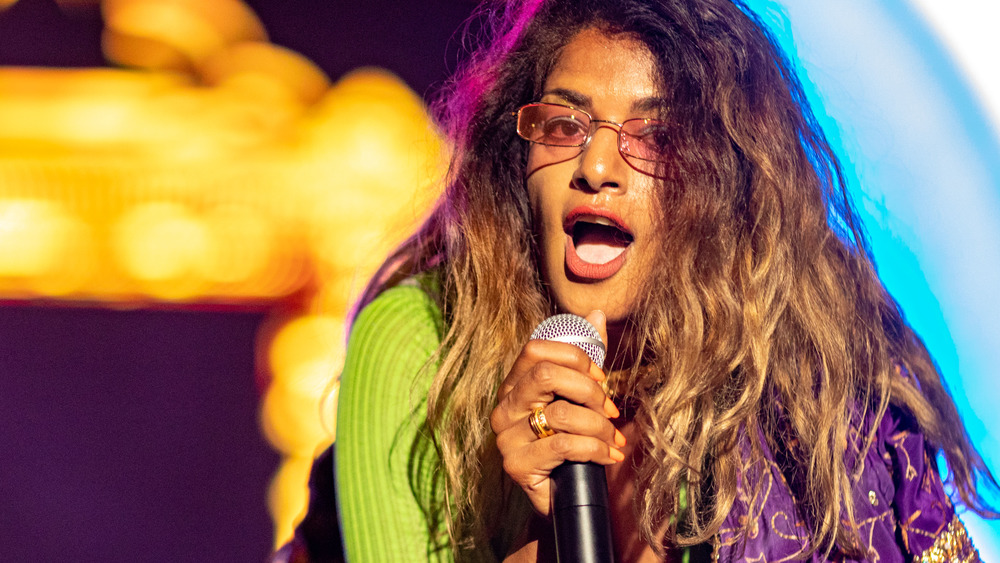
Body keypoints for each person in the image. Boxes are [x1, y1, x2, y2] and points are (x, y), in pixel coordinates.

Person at [303, 0, 1000, 560]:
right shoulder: (424, 344)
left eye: (653, 136)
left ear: (727, 183)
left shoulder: (811, 405)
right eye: (565, 124)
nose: (598, 166)